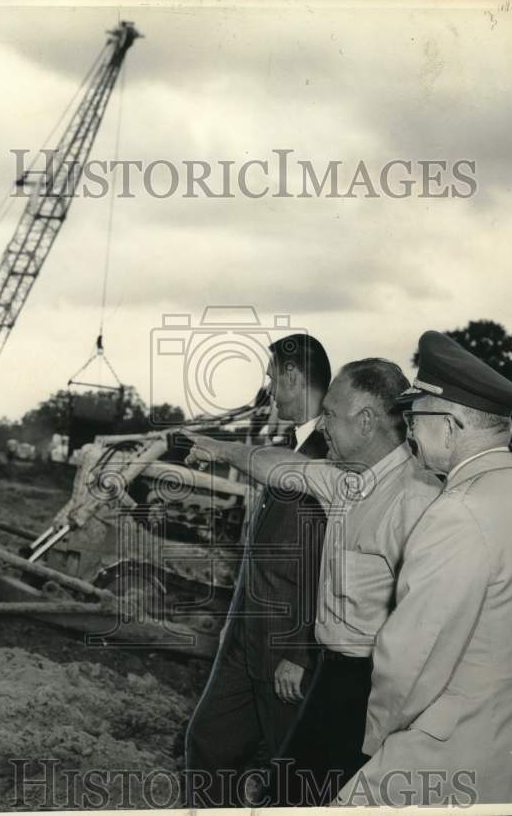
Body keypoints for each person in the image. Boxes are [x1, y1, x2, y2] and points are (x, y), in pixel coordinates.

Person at [183, 358, 442, 806]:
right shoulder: (346, 482)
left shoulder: (417, 500)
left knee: (320, 798)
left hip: (374, 683)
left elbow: (431, 622)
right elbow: (282, 467)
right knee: (292, 795)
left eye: (331, 416)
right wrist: (218, 449)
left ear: (365, 422)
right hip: (334, 674)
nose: (321, 426)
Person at [336, 330, 512, 807]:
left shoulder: (456, 514)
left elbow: (411, 659)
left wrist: (379, 740)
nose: (409, 434)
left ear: (449, 424)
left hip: (447, 756)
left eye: (413, 419)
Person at [183, 334, 331, 808]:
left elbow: (325, 562)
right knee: (208, 744)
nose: (270, 387)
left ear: (292, 376)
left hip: (286, 649)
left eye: (272, 377)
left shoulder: (326, 456)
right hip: (247, 639)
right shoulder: (287, 446)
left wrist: (302, 649)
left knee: (293, 775)